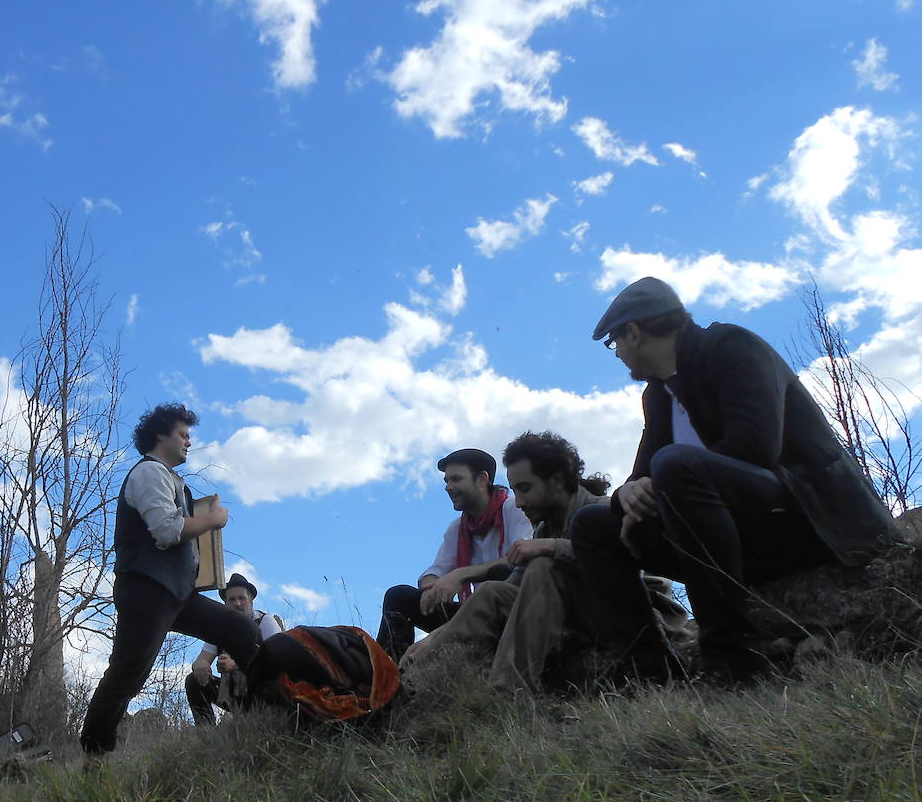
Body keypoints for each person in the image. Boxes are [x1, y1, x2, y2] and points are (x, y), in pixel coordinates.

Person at [571, 276, 897, 676]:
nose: (617, 352)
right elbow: (640, 476)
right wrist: (626, 495)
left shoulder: (730, 347)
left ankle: (732, 651)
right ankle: (648, 668)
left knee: (675, 465)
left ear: (634, 332)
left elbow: (755, 448)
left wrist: (659, 479)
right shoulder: (658, 394)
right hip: (728, 540)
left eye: (614, 342)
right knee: (591, 523)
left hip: (808, 523)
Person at [80, 404, 260, 758]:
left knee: (240, 630)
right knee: (129, 674)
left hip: (178, 593)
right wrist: (213, 519)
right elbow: (167, 530)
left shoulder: (173, 480)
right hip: (147, 589)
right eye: (183, 434)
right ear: (161, 434)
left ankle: (262, 715)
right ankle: (94, 754)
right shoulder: (148, 473)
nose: (189, 442)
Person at [402, 431, 636, 693]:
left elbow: (623, 560)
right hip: (573, 618)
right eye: (515, 491)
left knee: (540, 566)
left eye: (525, 489)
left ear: (557, 480)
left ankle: (508, 691)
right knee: (493, 591)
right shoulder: (542, 529)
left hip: (623, 622)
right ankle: (408, 680)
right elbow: (511, 585)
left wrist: (551, 547)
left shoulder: (601, 511)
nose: (520, 502)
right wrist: (434, 638)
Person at [376, 448, 532, 661]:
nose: (448, 487)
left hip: (510, 609)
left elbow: (519, 558)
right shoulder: (457, 529)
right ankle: (388, 673)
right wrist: (433, 587)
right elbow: (434, 572)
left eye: (456, 479)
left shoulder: (514, 508)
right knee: (399, 596)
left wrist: (460, 575)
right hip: (469, 613)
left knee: (501, 572)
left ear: (482, 479)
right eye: (446, 481)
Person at [186, 572, 284, 725]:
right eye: (232, 599)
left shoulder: (265, 621)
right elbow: (202, 658)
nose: (238, 604)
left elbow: (277, 661)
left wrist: (236, 664)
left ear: (250, 600)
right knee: (193, 681)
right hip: (233, 694)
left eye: (242, 598)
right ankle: (206, 732)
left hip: (266, 695)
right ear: (225, 603)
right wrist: (200, 665)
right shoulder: (221, 628)